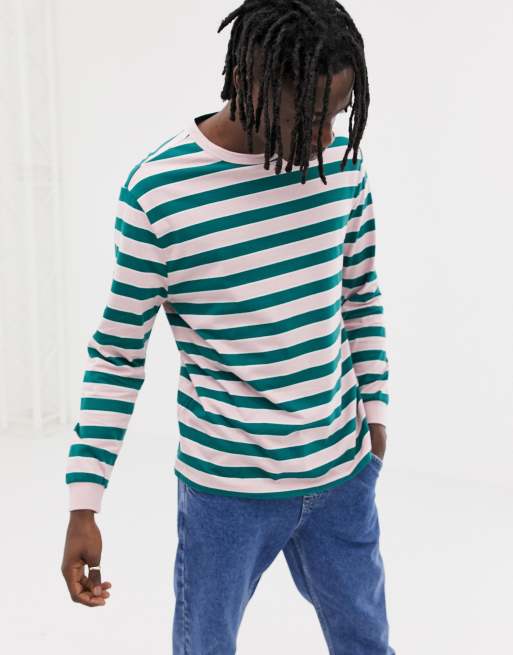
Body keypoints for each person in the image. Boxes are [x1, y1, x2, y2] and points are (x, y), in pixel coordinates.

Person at [61, 1, 395, 652]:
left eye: (337, 113)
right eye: (308, 115)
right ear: (248, 79)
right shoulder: (159, 194)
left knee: (366, 640)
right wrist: (84, 501)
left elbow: (359, 291)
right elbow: (117, 356)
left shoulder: (342, 162)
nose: (324, 135)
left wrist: (375, 415)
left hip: (342, 470)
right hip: (226, 494)